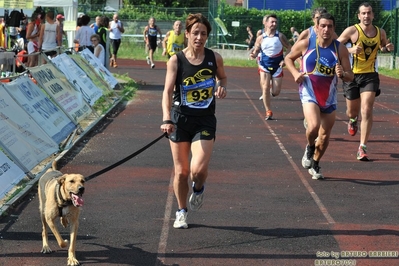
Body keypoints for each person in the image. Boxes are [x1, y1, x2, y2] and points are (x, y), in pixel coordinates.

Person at [160, 13, 227, 229]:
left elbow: (222, 77)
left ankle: (198, 188)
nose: (199, 37)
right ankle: (181, 211)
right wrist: (166, 118)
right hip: (180, 120)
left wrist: (221, 85)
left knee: (197, 170)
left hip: (205, 120)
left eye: (204, 33)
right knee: (181, 172)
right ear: (187, 34)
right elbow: (167, 91)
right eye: (195, 33)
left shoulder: (214, 58)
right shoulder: (176, 60)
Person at [285, 12, 354, 179]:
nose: (326, 29)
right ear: (316, 28)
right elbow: (288, 58)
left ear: (334, 29)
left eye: (330, 26)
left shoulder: (340, 49)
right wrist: (295, 73)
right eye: (323, 26)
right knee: (314, 126)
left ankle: (315, 163)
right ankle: (309, 147)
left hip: (328, 96)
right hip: (309, 91)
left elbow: (350, 76)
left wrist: (342, 73)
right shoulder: (306, 43)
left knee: (324, 137)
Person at [337, 2, 394, 161]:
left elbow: (383, 46)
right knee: (352, 112)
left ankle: (362, 147)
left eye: (369, 13)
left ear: (373, 15)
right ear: (359, 15)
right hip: (351, 76)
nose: (366, 16)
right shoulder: (352, 31)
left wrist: (387, 48)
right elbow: (334, 46)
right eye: (363, 13)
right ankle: (352, 120)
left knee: (367, 108)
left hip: (370, 75)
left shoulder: (380, 32)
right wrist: (350, 50)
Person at [249, 14, 291, 120]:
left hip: (277, 66)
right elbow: (257, 50)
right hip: (264, 65)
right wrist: (253, 54)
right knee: (265, 88)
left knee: (275, 92)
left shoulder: (280, 36)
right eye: (272, 22)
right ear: (266, 23)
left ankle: (269, 91)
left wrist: (285, 59)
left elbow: (289, 48)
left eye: (276, 22)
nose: (274, 24)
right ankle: (268, 111)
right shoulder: (260, 37)